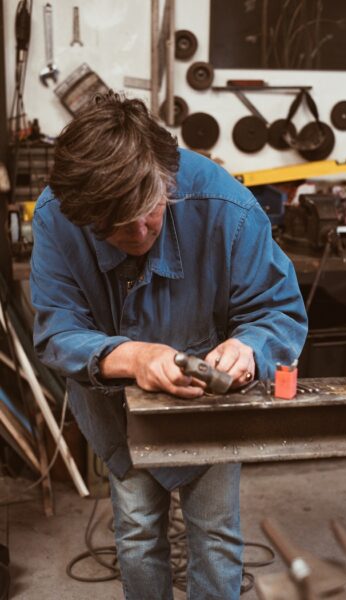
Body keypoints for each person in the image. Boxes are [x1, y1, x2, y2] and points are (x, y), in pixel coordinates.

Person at [30, 91, 308, 600]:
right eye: (116, 225)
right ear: (85, 215)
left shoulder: (224, 204)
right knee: (136, 535)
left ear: (168, 179)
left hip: (210, 411)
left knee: (217, 535)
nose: (138, 232)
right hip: (117, 409)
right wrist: (134, 356)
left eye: (150, 212)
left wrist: (248, 347)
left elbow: (277, 310)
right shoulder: (56, 216)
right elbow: (56, 332)